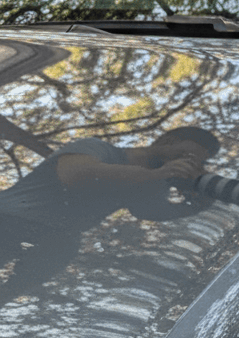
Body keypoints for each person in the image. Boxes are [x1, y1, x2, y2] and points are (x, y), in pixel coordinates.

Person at [0, 126, 220, 304]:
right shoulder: (98, 148)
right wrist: (156, 174)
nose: (185, 163)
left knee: (64, 247)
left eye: (196, 162)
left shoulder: (151, 184)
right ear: (167, 141)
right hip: (7, 220)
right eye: (184, 155)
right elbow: (75, 174)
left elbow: (148, 211)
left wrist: (196, 206)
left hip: (44, 241)